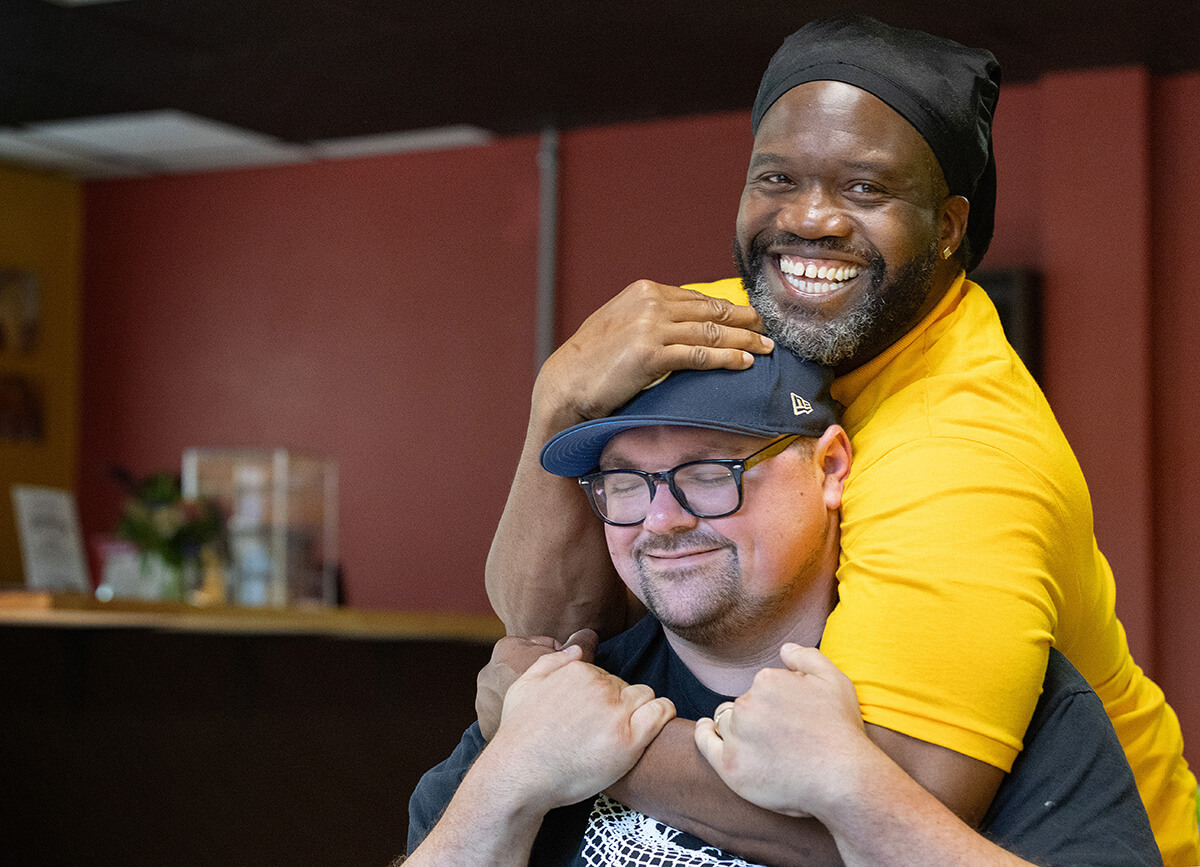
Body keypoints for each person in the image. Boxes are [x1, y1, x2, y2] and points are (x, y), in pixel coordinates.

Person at [483, 14, 1199, 865]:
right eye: (778, 177)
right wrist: (555, 399)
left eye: (865, 189)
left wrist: (573, 740)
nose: (811, 221)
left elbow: (874, 818)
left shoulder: (969, 450)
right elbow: (549, 626)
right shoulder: (729, 320)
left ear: (947, 227)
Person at [408, 350, 1160, 866]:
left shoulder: (983, 696)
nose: (660, 520)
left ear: (830, 466)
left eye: (708, 473)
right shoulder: (556, 702)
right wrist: (507, 782)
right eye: (625, 482)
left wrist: (856, 789)